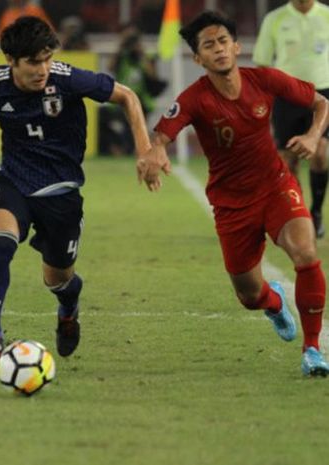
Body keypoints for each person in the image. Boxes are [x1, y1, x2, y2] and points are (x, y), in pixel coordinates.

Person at [0, 16, 163, 364]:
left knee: (58, 279)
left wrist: (143, 150)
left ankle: (68, 307)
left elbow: (127, 96)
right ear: (11, 61)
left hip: (61, 193)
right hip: (13, 181)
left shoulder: (68, 78)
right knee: (1, 243)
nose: (43, 68)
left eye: (46, 58)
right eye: (33, 62)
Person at [140, 11, 329, 376]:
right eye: (208, 45)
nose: (219, 49)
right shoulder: (194, 98)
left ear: (237, 46)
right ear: (198, 59)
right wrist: (155, 153)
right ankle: (273, 302)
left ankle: (312, 351)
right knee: (249, 296)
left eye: (223, 41)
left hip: (275, 186)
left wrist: (312, 135)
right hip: (231, 205)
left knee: (306, 253)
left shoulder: (265, 79)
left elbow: (322, 103)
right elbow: (161, 135)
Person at [252, 0, 329, 238]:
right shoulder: (274, 19)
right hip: (287, 96)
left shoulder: (326, 16)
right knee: (287, 160)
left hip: (324, 93)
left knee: (321, 151)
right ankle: (298, 214)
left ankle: (315, 212)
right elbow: (263, 62)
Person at [99, 25, 166, 155]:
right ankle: (116, 148)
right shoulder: (122, 56)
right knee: (103, 117)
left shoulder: (144, 57)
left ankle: (135, 149)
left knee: (136, 128)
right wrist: (121, 47)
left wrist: (141, 54)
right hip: (120, 99)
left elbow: (152, 75)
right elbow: (110, 67)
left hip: (140, 100)